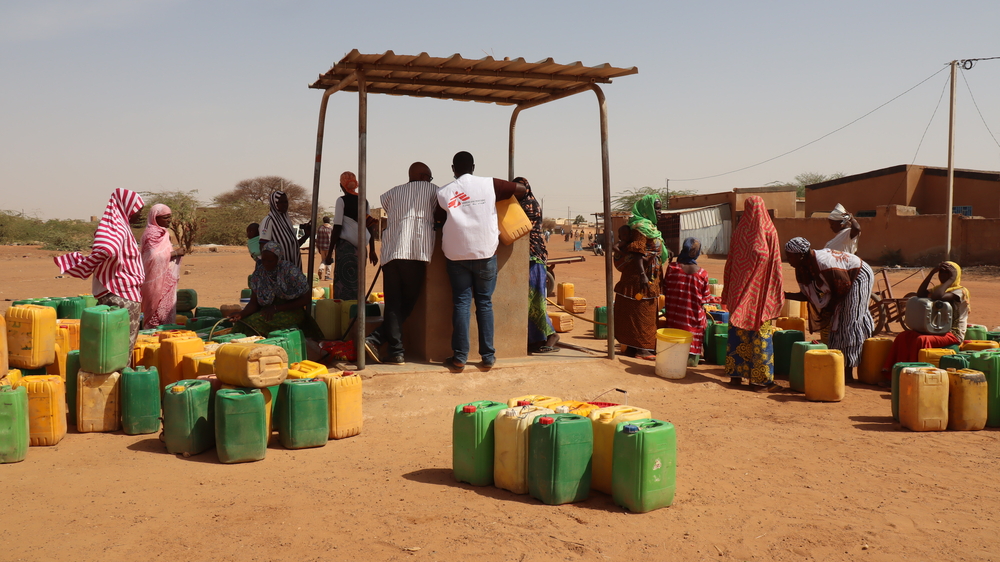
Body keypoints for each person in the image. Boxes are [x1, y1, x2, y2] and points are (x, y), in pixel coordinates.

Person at [436, 151, 525, 372]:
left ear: (453, 168)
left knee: (461, 303)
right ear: (473, 167)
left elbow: (438, 218)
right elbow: (522, 190)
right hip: (485, 252)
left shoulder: (444, 192)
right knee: (484, 303)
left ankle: (459, 358)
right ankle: (487, 356)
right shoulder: (490, 185)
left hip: (456, 255)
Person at [363, 162, 439, 365]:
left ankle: (394, 351)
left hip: (391, 254)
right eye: (429, 177)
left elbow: (388, 207)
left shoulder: (393, 192)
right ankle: (379, 341)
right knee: (406, 304)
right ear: (424, 176)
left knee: (393, 304)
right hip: (413, 252)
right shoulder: (433, 190)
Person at [54, 188, 145, 355]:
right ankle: (116, 379)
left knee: (117, 347)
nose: (139, 214)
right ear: (126, 208)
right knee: (118, 349)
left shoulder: (119, 227)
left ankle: (116, 378)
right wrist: (85, 265)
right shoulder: (114, 228)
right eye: (137, 210)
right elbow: (105, 249)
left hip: (124, 294)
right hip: (120, 294)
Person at [784, 236, 875, 382]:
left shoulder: (825, 263)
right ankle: (839, 366)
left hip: (858, 276)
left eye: (790, 256)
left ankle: (848, 372)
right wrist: (784, 295)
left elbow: (842, 288)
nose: (788, 260)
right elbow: (807, 295)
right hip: (841, 284)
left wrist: (830, 309)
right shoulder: (802, 268)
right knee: (836, 323)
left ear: (801, 255)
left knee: (848, 319)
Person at [722, 196, 784, 388]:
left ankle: (736, 375)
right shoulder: (770, 232)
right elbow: (775, 264)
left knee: (738, 333)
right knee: (761, 334)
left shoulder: (739, 232)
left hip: (739, 293)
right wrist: (774, 290)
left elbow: (730, 264)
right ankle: (761, 380)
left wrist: (729, 289)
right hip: (760, 295)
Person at [880, 261, 970, 379]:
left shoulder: (961, 291)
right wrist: (932, 273)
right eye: (941, 272)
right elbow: (920, 294)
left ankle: (911, 376)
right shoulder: (939, 288)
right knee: (903, 336)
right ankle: (895, 376)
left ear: (955, 275)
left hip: (953, 334)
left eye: (947, 273)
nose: (942, 275)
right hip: (935, 330)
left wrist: (951, 280)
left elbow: (938, 296)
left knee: (921, 340)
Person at [613, 194, 667, 359]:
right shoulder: (640, 227)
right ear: (647, 210)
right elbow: (637, 252)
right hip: (639, 278)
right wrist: (643, 276)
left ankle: (632, 347)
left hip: (647, 275)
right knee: (642, 312)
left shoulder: (649, 227)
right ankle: (642, 349)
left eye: (659, 208)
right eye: (656, 208)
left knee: (638, 311)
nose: (660, 212)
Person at [514, 176, 559, 354]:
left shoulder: (528, 205)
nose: (516, 193)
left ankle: (551, 335)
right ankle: (536, 338)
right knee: (528, 299)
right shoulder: (522, 202)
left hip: (533, 256)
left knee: (535, 299)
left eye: (519, 190)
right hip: (527, 255)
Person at [229, 241, 311, 336]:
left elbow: (306, 298)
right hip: (267, 311)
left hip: (291, 311)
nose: (266, 264)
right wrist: (242, 314)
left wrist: (277, 308)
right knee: (241, 324)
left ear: (278, 259)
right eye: (263, 260)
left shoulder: (290, 271)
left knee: (252, 323)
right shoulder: (259, 273)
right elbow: (253, 303)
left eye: (270, 261)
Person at [323, 171, 378, 300]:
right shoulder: (364, 201)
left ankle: (345, 310)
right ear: (355, 185)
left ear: (342, 186)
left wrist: (330, 252)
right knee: (358, 279)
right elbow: (370, 226)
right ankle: (357, 309)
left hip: (345, 248)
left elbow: (337, 227)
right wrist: (372, 250)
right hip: (361, 249)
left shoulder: (341, 201)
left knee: (344, 281)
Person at [662, 237, 711, 366]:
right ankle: (694, 353)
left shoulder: (672, 268)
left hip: (674, 318)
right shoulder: (702, 274)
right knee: (704, 321)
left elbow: (665, 289)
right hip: (693, 319)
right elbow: (705, 300)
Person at [139, 204, 184, 329]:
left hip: (166, 276)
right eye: (165, 217)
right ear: (155, 218)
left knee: (165, 309)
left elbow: (162, 252)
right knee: (155, 310)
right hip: (154, 279)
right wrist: (175, 253)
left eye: (169, 217)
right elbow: (153, 257)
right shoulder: (151, 234)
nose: (169, 220)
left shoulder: (163, 233)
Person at [259, 191, 309, 271]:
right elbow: (263, 247)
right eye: (280, 202)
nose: (284, 204)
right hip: (279, 271)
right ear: (274, 204)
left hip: (293, 270)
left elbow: (293, 246)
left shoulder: (287, 221)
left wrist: (306, 235)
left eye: (286, 202)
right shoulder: (269, 221)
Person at [316, 217, 333, 281]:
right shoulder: (331, 228)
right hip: (329, 247)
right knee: (329, 261)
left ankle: (321, 268)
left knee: (323, 260)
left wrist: (318, 248)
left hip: (322, 247)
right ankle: (327, 276)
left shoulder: (320, 228)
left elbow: (317, 239)